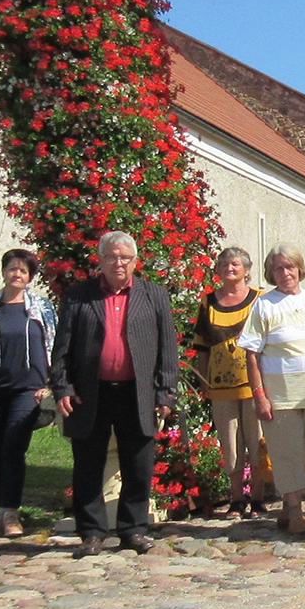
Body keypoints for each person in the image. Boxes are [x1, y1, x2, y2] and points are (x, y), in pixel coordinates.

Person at [52, 230, 179, 557]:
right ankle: (91, 532)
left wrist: (165, 393)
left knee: (138, 464)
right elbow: (62, 348)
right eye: (111, 256)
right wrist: (63, 386)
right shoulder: (80, 296)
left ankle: (133, 529)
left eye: (125, 257)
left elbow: (167, 348)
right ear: (101, 260)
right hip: (90, 392)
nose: (118, 263)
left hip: (137, 392)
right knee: (88, 464)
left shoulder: (153, 295)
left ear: (135, 261)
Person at [239, 243, 305, 536]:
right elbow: (252, 353)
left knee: (304, 452)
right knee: (285, 454)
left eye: (290, 267)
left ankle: (287, 509)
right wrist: (259, 395)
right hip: (279, 395)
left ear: (300, 269)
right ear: (271, 272)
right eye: (278, 268)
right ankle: (296, 513)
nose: (285, 273)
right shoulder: (264, 304)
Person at [0, 247, 57, 538]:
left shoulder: (41, 309)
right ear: (4, 272)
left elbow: (54, 346)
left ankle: (12, 513)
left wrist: (52, 384)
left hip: (27, 390)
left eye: (23, 270)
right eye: (12, 268)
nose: (17, 274)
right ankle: (0, 513)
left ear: (30, 277)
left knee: (14, 447)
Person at [187, 246, 264, 516]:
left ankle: (256, 497)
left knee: (256, 441)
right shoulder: (208, 301)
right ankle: (235, 498)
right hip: (220, 386)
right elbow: (202, 346)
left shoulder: (260, 299)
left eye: (235, 264)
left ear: (246, 269)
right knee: (230, 445)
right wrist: (204, 381)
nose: (229, 269)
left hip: (254, 383)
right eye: (224, 264)